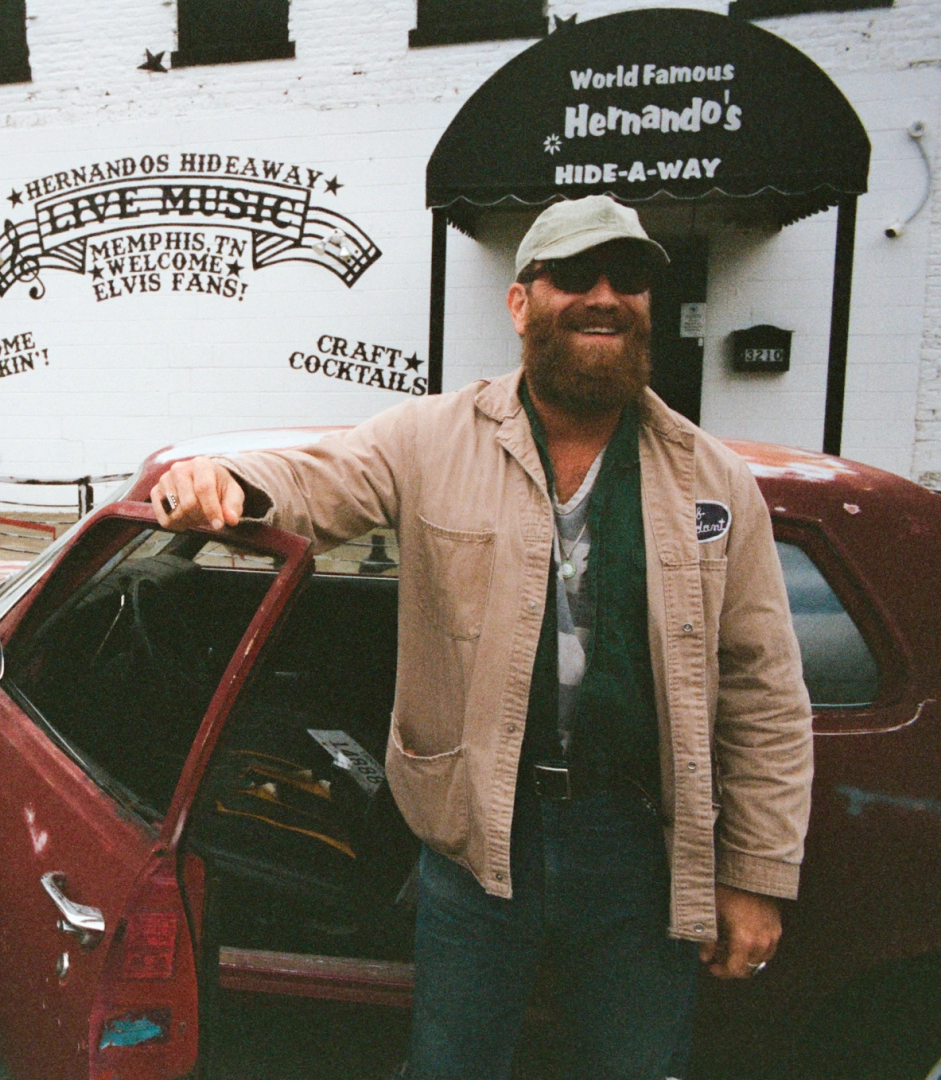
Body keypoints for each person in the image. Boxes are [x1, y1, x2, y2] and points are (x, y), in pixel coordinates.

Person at [151, 195, 813, 1079]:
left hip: (641, 851)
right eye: (572, 275)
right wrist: (220, 477)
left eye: (628, 278)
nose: (603, 297)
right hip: (476, 843)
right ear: (519, 302)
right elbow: (316, 476)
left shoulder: (713, 479)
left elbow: (762, 688)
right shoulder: (433, 437)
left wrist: (755, 874)